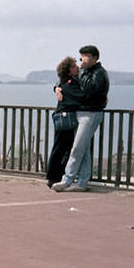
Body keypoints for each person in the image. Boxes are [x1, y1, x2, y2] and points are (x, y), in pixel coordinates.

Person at [51, 45, 110, 192]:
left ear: (95, 58)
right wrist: (56, 88)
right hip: (81, 114)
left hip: (90, 114)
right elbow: (65, 81)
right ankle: (82, 182)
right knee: (84, 150)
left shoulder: (99, 73)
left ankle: (67, 180)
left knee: (77, 148)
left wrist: (82, 71)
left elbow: (90, 90)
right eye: (81, 56)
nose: (81, 60)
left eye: (85, 56)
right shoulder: (86, 72)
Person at [46, 56, 85, 187]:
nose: (77, 67)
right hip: (66, 118)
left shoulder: (65, 83)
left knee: (62, 148)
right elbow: (80, 97)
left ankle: (56, 176)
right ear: (68, 71)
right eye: (74, 66)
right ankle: (53, 177)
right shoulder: (69, 84)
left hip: (64, 118)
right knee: (61, 148)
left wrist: (55, 88)